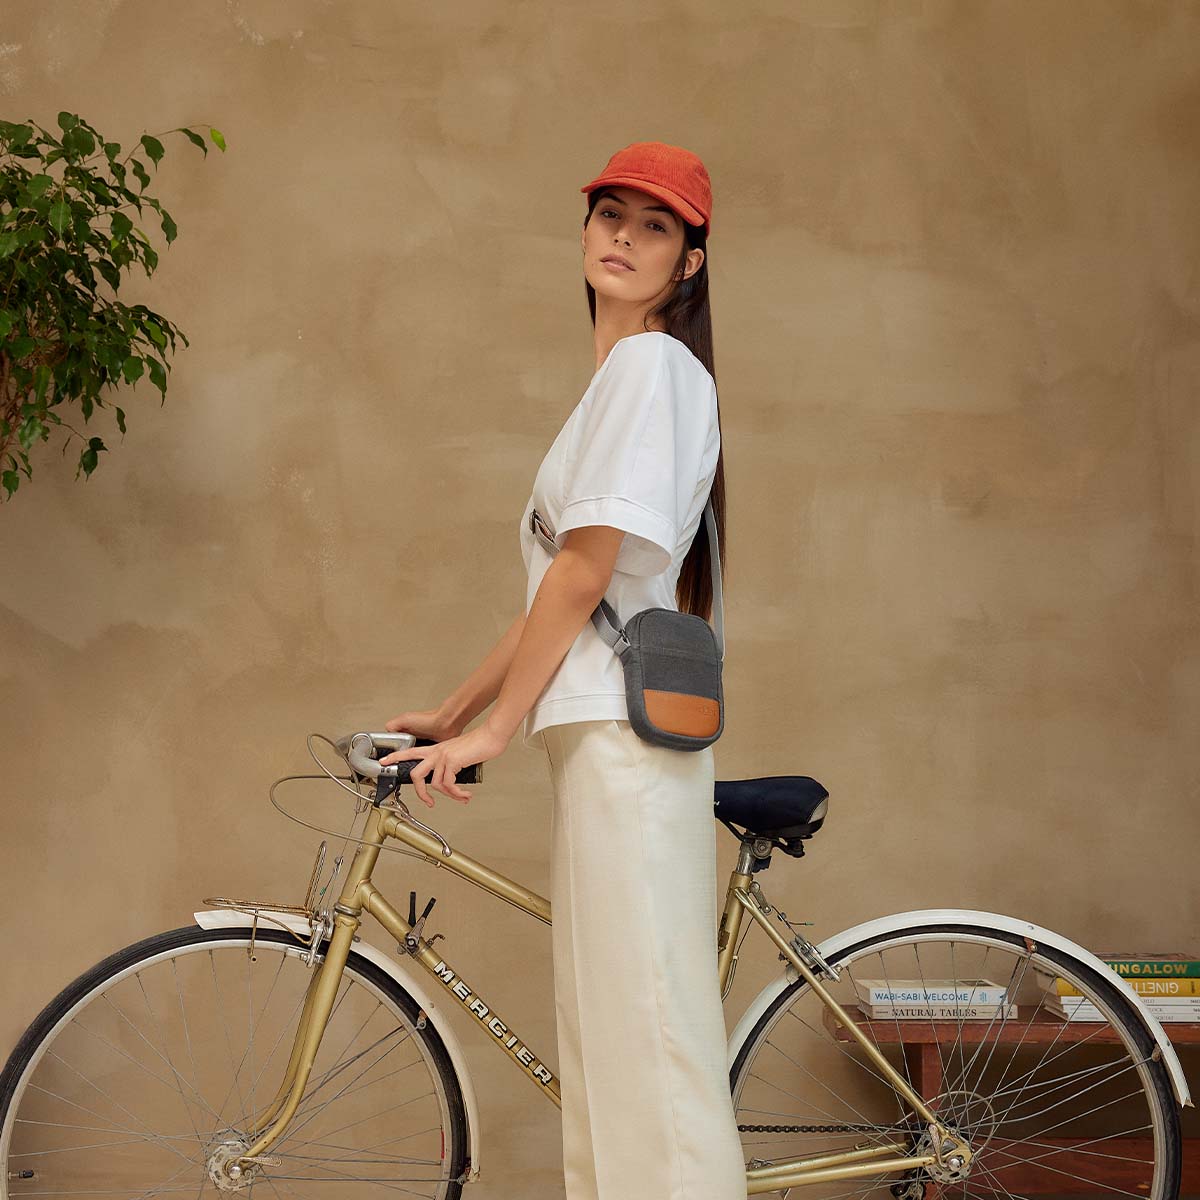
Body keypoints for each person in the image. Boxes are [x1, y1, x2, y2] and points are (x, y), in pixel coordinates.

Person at [379, 140, 745, 1199]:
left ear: (690, 262)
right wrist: (454, 708)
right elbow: (563, 584)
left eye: (657, 223)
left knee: (649, 1060)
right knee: (610, 1053)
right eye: (610, 214)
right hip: (602, 737)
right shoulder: (621, 382)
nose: (626, 235)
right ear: (583, 231)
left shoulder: (651, 367)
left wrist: (492, 729)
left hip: (626, 746)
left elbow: (584, 574)